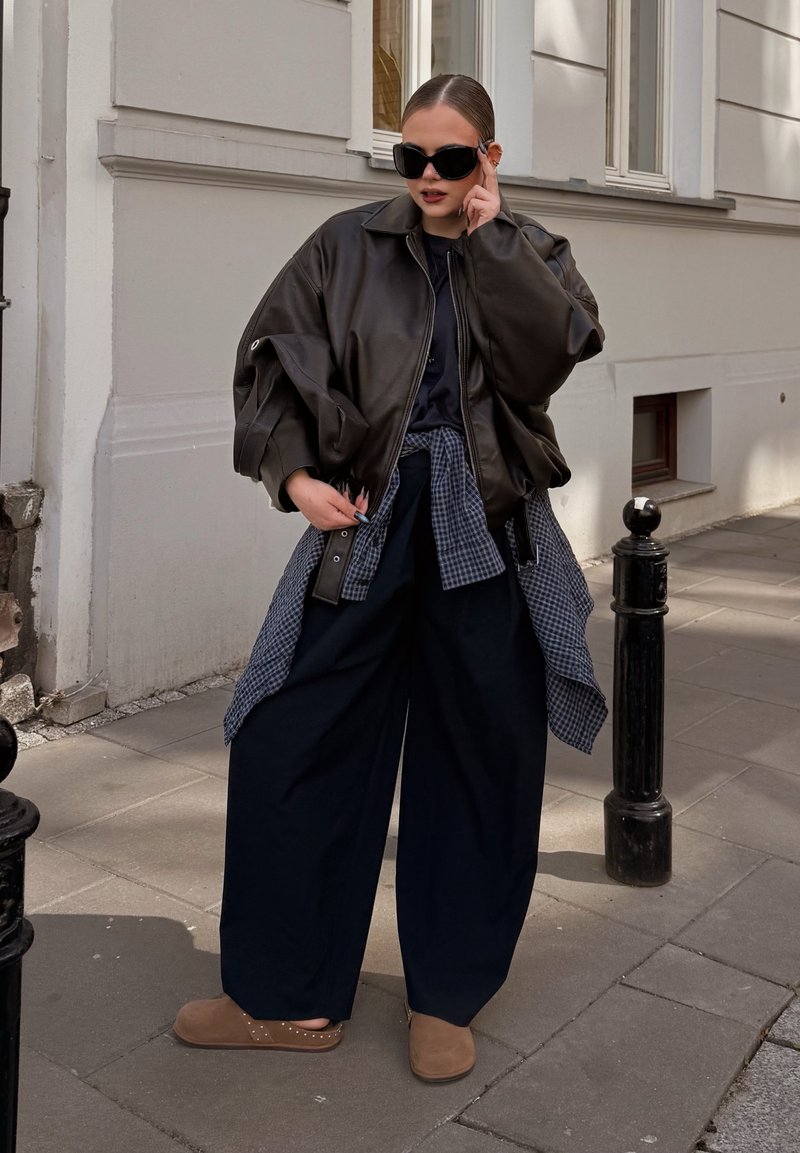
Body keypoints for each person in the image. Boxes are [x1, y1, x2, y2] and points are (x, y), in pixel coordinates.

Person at [174, 73, 607, 1083]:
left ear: (488, 161)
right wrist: (291, 473)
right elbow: (267, 366)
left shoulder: (535, 252)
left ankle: (445, 994)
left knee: (475, 752)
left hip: (484, 522)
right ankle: (284, 997)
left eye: (449, 158)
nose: (424, 175)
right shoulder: (343, 246)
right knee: (289, 731)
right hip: (367, 518)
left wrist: (493, 244)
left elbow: (546, 359)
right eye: (407, 156)